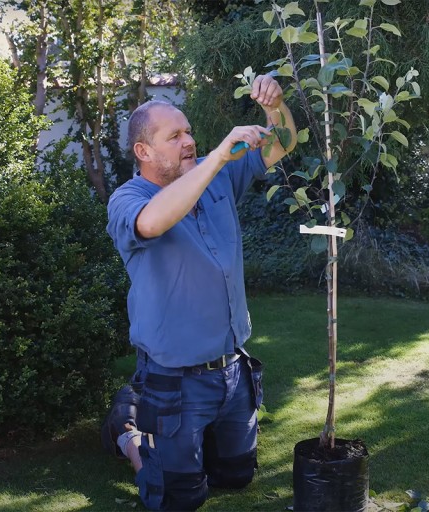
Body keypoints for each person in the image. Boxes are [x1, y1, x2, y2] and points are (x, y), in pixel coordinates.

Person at [103, 74, 297, 511]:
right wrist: (214, 161)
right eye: (175, 136)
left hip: (232, 369)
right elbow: (152, 223)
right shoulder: (127, 198)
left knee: (235, 477)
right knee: (177, 498)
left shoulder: (216, 176)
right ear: (144, 151)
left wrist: (275, 106)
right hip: (173, 379)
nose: (189, 140)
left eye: (189, 131)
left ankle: (172, 444)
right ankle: (129, 435)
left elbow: (280, 143)